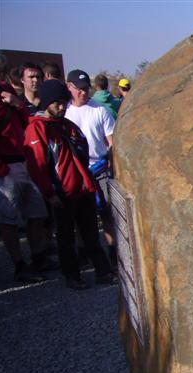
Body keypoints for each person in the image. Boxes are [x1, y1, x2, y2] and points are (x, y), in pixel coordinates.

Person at [24, 80, 115, 289]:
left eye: (64, 102)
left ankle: (104, 272)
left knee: (92, 234)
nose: (62, 107)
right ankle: (73, 276)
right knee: (66, 238)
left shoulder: (67, 126)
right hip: (62, 192)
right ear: (47, 102)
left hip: (83, 188)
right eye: (57, 103)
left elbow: (82, 151)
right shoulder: (37, 129)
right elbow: (37, 166)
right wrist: (50, 193)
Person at [0, 51, 50, 282]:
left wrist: (17, 104)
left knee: (37, 212)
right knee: (9, 219)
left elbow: (26, 123)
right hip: (5, 167)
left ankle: (38, 256)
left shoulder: (6, 91)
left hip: (24, 161)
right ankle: (19, 264)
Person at [64, 69, 117, 264]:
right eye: (79, 89)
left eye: (86, 89)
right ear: (70, 87)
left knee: (106, 213)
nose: (84, 93)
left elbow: (111, 141)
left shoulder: (99, 110)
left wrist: (111, 161)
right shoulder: (65, 111)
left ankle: (112, 250)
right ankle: (83, 251)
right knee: (80, 216)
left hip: (99, 169)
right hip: (75, 171)